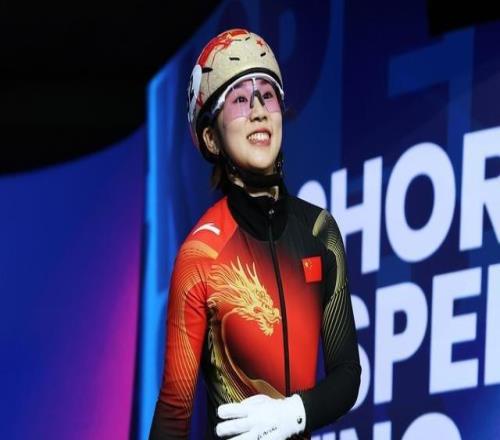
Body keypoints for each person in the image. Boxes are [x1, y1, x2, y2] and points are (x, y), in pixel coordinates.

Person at [149, 28, 361, 440]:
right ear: (211, 137)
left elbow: (347, 374)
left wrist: (292, 414)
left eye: (267, 95)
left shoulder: (320, 232)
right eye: (240, 100)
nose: (259, 110)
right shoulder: (200, 255)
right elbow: (174, 411)